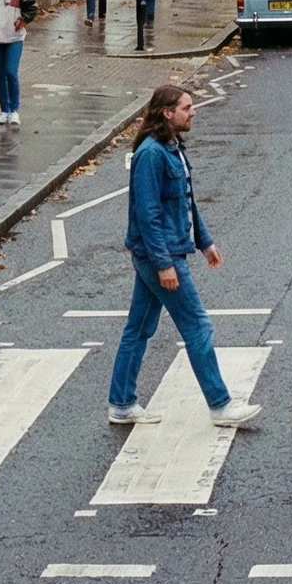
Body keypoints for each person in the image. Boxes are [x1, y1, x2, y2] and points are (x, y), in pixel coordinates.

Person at [107, 84, 262, 427]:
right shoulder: (151, 154)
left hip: (167, 249)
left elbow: (186, 202)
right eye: (187, 107)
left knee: (139, 328)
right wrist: (164, 264)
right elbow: (147, 214)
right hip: (161, 254)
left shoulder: (172, 147)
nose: (193, 112)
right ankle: (220, 405)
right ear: (167, 113)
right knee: (198, 326)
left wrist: (205, 242)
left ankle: (121, 403)